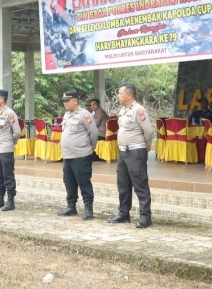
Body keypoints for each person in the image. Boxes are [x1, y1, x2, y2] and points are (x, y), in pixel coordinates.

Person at [108, 83, 156, 228]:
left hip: (135, 151)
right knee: (123, 184)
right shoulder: (123, 110)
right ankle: (123, 213)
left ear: (129, 95)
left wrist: (146, 146)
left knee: (140, 184)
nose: (118, 96)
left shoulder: (139, 110)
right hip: (123, 151)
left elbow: (149, 131)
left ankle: (145, 217)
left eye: (120, 94)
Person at [56, 90, 98, 220]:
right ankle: (71, 206)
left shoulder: (84, 115)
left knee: (84, 181)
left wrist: (89, 148)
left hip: (81, 155)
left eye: (67, 101)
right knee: (69, 182)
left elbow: (94, 133)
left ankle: (88, 209)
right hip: (67, 156)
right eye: (64, 101)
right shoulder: (67, 115)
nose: (65, 103)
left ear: (75, 101)